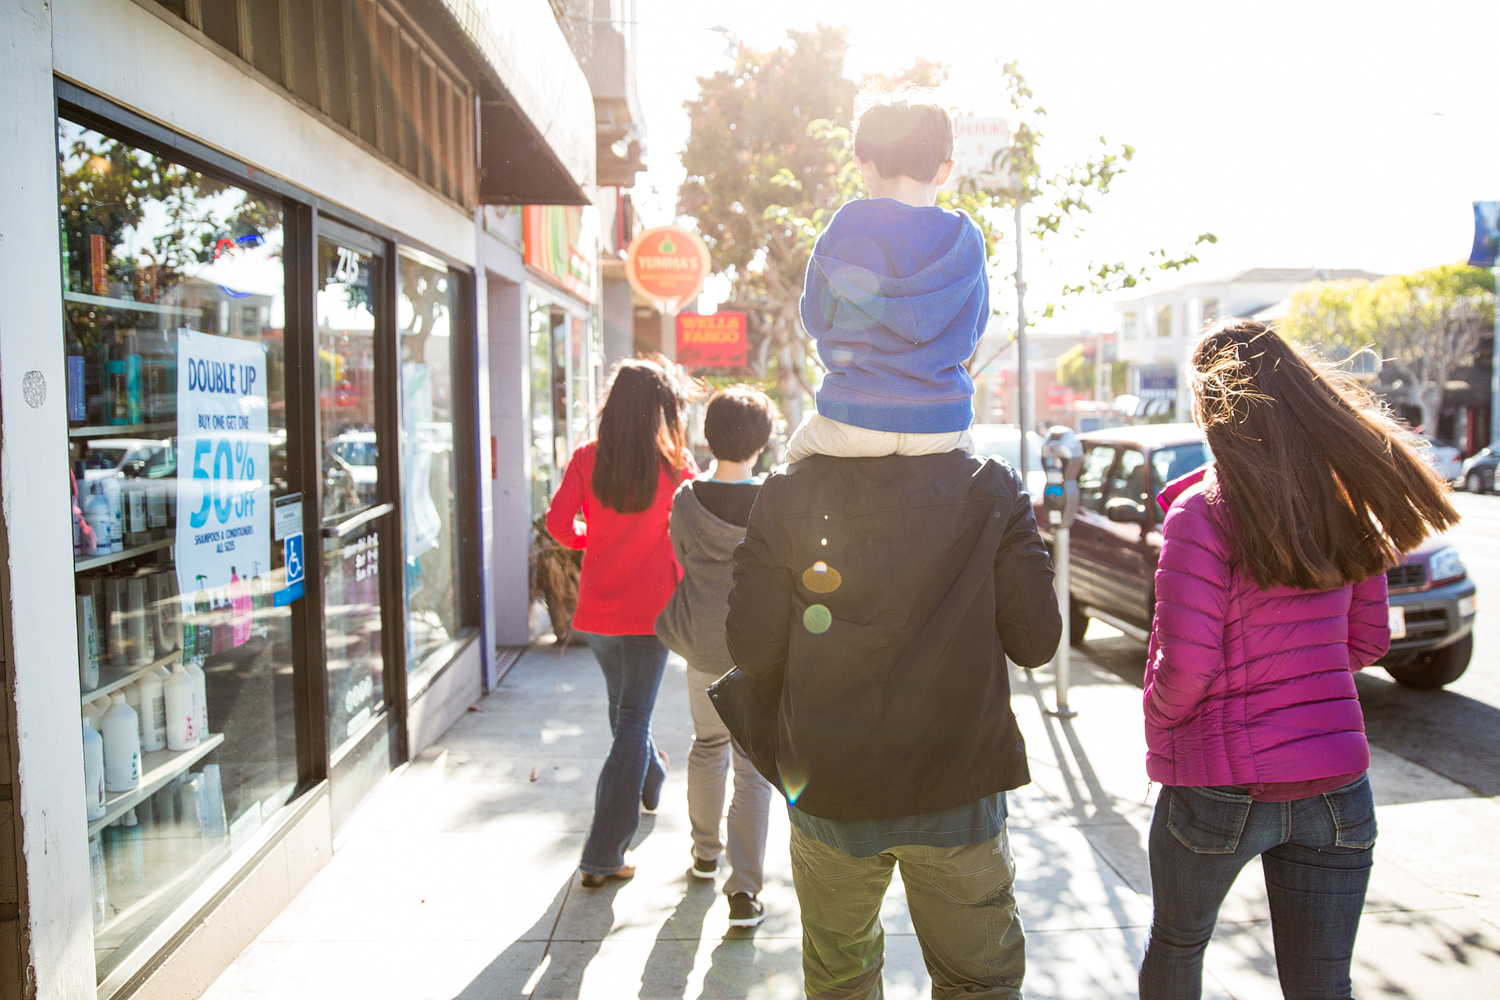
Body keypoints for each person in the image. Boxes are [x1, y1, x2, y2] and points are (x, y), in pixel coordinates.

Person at [725, 92, 1061, 1000]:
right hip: (959, 792)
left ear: (863, 165)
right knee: (980, 984)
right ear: (946, 168)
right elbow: (1037, 642)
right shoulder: (992, 492)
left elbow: (750, 648)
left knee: (840, 981)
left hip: (830, 790)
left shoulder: (790, 493)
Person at [1139, 319, 1460, 1000]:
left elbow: (1186, 670)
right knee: (1322, 986)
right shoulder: (1343, 503)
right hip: (1336, 787)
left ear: (1210, 406)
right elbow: (1369, 642)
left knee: (1176, 948)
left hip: (1216, 789)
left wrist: (1157, 717)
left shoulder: (1199, 513)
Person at [545, 358, 698, 888]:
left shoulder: (588, 459)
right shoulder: (676, 465)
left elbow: (558, 524)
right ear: (661, 410)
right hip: (651, 615)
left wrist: (596, 542)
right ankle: (604, 853)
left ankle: (651, 775)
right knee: (631, 718)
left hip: (599, 616)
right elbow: (692, 528)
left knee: (625, 712)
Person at [655, 386, 779, 929]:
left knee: (707, 746)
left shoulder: (687, 499)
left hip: (703, 644)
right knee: (751, 769)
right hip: (757, 650)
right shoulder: (774, 500)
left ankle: (705, 855)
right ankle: (745, 893)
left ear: (711, 436)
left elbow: (681, 557)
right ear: (762, 441)